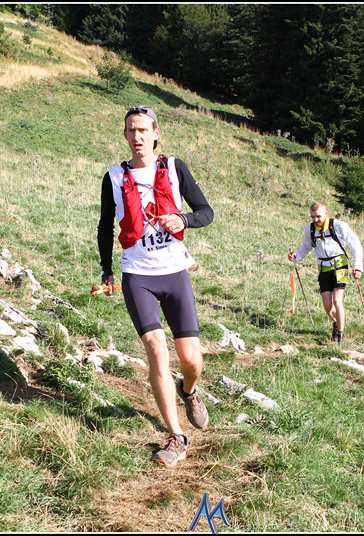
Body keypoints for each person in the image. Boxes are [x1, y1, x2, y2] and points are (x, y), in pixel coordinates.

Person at [97, 105, 214, 468]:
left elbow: (206, 212)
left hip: (174, 271)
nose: (137, 136)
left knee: (191, 360)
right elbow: (105, 227)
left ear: (156, 133)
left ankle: (189, 390)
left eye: (143, 129)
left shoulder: (175, 167)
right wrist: (106, 270)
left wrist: (182, 219)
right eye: (131, 130)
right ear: (125, 135)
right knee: (156, 349)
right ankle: (177, 437)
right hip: (137, 275)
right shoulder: (113, 177)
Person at [288, 202, 363, 342]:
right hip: (323, 267)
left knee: (337, 301)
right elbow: (306, 246)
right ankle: (337, 323)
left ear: (326, 214)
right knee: (327, 305)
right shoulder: (310, 229)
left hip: (339, 265)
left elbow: (356, 246)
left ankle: (341, 334)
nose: (315, 220)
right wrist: (296, 257)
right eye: (312, 217)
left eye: (318, 216)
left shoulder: (339, 226)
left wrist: (358, 267)